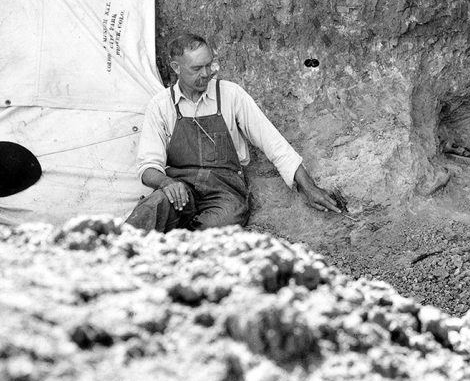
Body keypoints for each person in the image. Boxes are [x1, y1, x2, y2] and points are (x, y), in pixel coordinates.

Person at [125, 33, 341, 232]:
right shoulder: (161, 105)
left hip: (224, 191)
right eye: (197, 68)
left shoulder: (229, 94)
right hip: (180, 189)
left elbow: (271, 141)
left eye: (209, 65)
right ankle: (109, 257)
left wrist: (308, 187)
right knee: (150, 209)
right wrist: (165, 183)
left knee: (219, 227)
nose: (206, 73)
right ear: (176, 67)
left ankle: (179, 251)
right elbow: (148, 167)